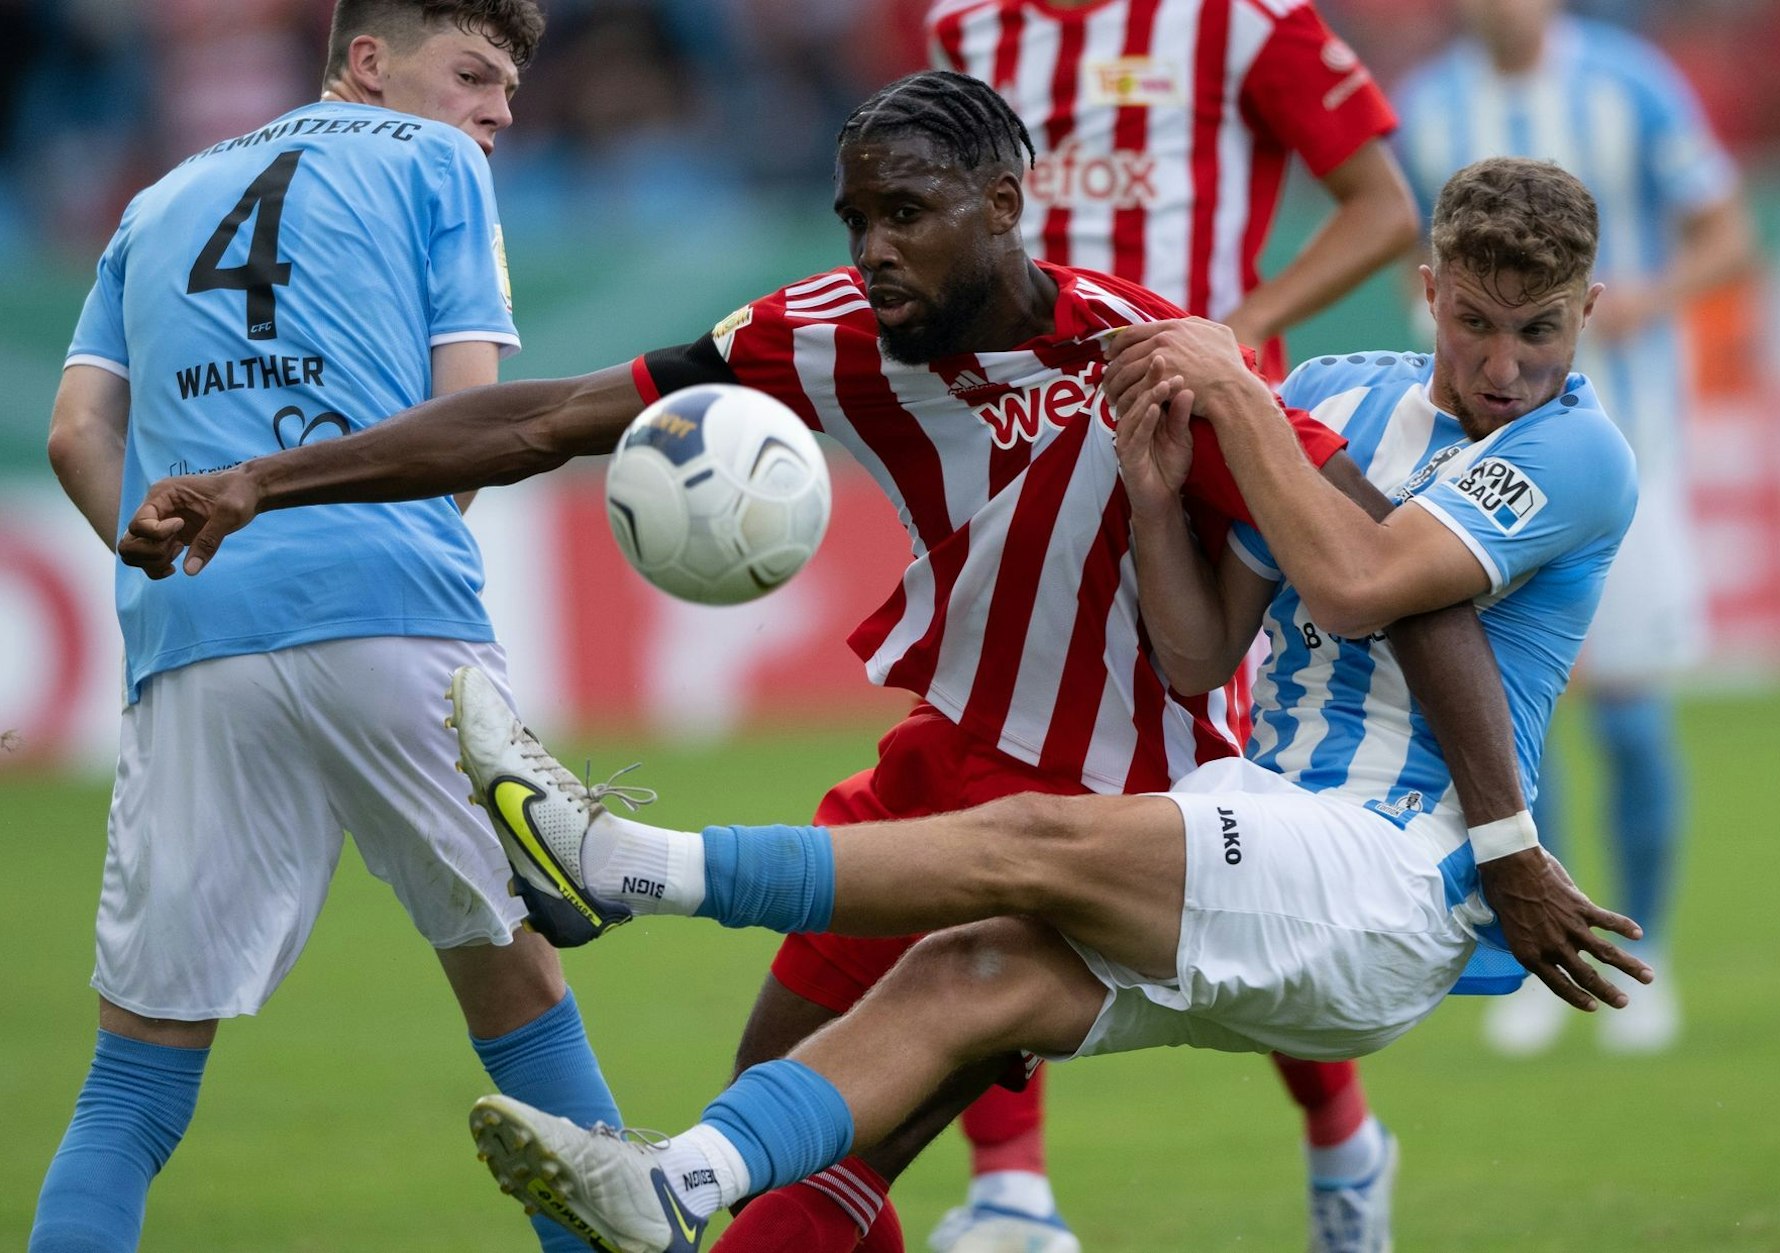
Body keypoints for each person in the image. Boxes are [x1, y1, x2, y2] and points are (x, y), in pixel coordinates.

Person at [120, 74, 1564, 1253]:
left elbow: (1398, 579)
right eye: (856, 216)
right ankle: (614, 874)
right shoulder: (826, 339)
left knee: (796, 1164)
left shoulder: (1149, 358)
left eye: (909, 215)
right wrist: (264, 481)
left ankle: (613, 860)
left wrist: (1507, 843)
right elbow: (541, 420)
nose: (873, 248)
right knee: (781, 1136)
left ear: (1006, 208)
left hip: (1102, 813)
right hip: (933, 775)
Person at [430, 152, 1651, 1253]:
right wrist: (1158, 497)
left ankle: (614, 862)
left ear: (1585, 310)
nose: (1505, 365)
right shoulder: (1334, 389)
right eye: (1478, 323)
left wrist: (1225, 383)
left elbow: (1366, 581)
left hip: (1389, 869)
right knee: (963, 978)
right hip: (1271, 817)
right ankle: (675, 1181)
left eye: (1539, 330)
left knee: (1030, 834)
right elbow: (1195, 653)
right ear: (1429, 289)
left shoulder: (1579, 453)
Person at [32, 5, 626, 1251]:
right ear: (369, 63)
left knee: (136, 1071)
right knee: (519, 993)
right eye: (472, 74)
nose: (497, 111)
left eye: (509, 88)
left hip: (197, 634)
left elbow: (75, 433)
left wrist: (168, 558)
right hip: (392, 612)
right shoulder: (433, 163)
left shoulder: (157, 196)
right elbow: (470, 423)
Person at [927, 3, 1422, 1246]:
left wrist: (1238, 334)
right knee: (978, 764)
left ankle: (1340, 1131)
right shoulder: (965, 27)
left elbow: (1383, 204)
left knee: (1211, 804)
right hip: (1018, 447)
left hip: (1191, 463)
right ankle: (1010, 1188)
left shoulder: (1239, 23)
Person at [1392, 0, 1759, 1055]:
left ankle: (1650, 955)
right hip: (1479, 460)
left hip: (1623, 446)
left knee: (1630, 714)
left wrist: (1647, 298)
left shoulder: (1630, 84)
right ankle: (1531, 959)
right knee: (1505, 723)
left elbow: (1724, 231)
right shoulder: (1425, 107)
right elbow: (1393, 238)